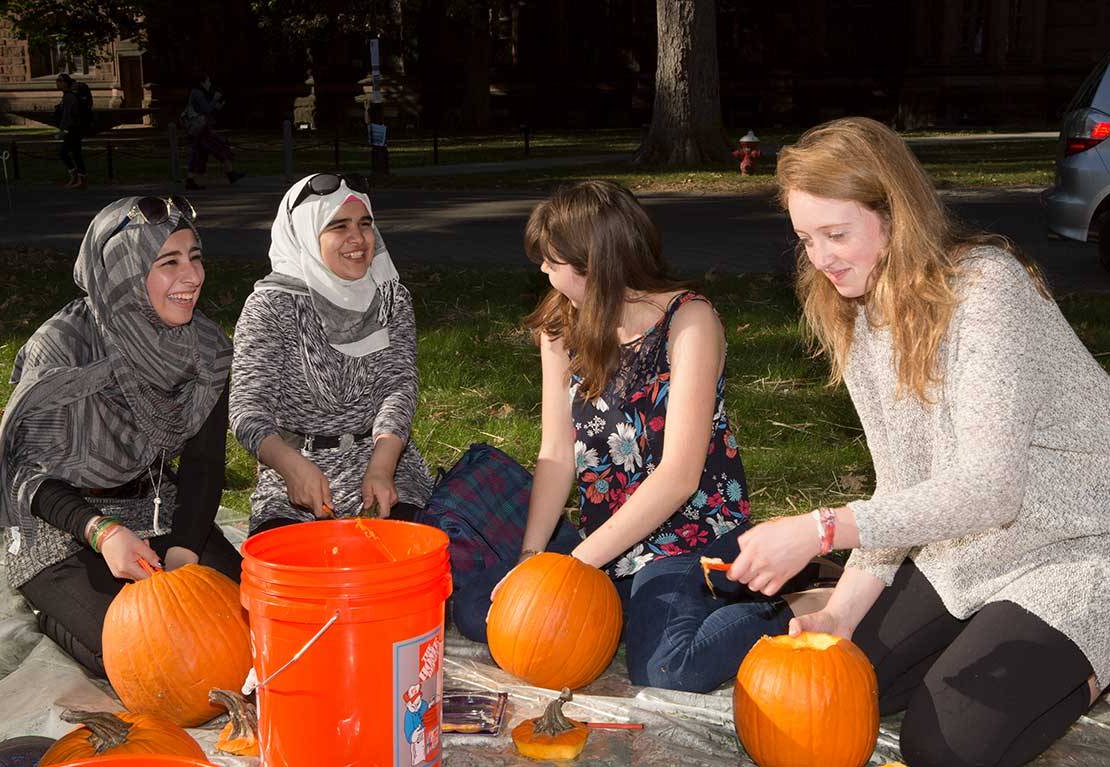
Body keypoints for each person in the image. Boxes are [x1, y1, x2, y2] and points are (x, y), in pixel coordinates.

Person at [727, 116, 1110, 767]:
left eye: (837, 234)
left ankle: (1093, 655)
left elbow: (992, 486)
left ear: (894, 214)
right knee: (848, 682)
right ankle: (997, 632)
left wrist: (821, 529)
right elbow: (901, 485)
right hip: (970, 545)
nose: (821, 257)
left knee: (942, 745)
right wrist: (840, 615)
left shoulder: (986, 288)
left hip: (1080, 543)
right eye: (806, 238)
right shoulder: (853, 309)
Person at [448, 180, 831, 693]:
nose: (542, 270)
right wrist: (531, 557)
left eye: (552, 261)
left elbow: (678, 477)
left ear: (595, 264)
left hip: (685, 535)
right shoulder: (560, 328)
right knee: (480, 611)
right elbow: (556, 454)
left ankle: (803, 596)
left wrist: (572, 571)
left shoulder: (689, 321)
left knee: (668, 668)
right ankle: (645, 607)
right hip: (606, 537)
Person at [0, 195, 240, 677]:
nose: (193, 276)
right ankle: (55, 614)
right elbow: (26, 473)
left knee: (246, 619)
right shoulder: (63, 348)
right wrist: (103, 532)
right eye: (169, 262)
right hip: (64, 524)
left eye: (195, 257)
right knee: (145, 657)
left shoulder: (204, 348)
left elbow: (204, 465)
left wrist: (184, 552)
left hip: (156, 505)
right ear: (123, 270)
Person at [230, 173, 433, 535]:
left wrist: (382, 467)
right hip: (296, 474)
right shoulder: (271, 308)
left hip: (384, 463)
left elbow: (397, 387)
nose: (358, 239)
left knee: (405, 562)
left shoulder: (390, 298)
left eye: (365, 224)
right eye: (338, 227)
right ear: (307, 235)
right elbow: (248, 410)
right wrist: (292, 467)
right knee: (288, 577)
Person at [182, 74, 244, 190]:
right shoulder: (198, 93)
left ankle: (230, 174)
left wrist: (217, 105)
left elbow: (207, 110)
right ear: (202, 82)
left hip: (201, 129)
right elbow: (206, 110)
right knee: (219, 147)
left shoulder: (198, 93)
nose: (209, 84)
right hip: (201, 129)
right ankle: (230, 174)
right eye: (208, 81)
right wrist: (215, 99)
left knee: (200, 152)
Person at [55, 73, 92, 189]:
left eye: (59, 81)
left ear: (65, 82)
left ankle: (76, 177)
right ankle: (80, 179)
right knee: (76, 154)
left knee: (63, 152)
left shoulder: (69, 97)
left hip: (72, 130)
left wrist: (64, 131)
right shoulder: (68, 95)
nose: (57, 83)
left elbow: (69, 116)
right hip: (75, 129)